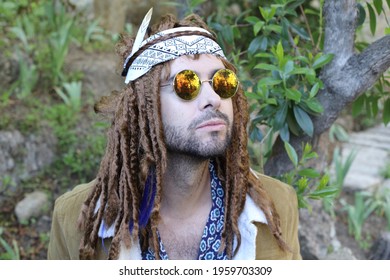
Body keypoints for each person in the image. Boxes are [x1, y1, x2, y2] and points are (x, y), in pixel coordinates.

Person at [47, 8, 301, 260]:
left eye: (223, 82)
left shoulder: (279, 204)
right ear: (146, 108)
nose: (213, 99)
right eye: (186, 84)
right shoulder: (73, 219)